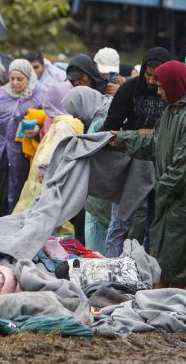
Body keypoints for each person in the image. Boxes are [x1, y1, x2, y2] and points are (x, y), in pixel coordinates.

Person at [113, 60, 186, 287]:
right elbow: (155, 143)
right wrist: (121, 138)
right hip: (172, 199)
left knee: (174, 267)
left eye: (162, 87)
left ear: (174, 85)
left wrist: (161, 191)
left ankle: (165, 308)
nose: (158, 91)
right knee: (162, 260)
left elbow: (183, 168)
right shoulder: (173, 111)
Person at [102, 47, 172, 256]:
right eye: (148, 75)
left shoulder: (173, 94)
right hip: (131, 161)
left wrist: (154, 133)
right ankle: (110, 265)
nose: (151, 81)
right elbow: (109, 127)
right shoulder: (130, 89)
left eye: (157, 77)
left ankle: (147, 268)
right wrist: (134, 135)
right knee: (121, 219)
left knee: (155, 220)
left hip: (160, 163)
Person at [0, 59, 47, 217]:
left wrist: (38, 129)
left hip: (20, 154)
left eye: (19, 79)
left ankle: (10, 224)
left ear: (29, 78)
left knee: (16, 189)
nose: (14, 83)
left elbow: (49, 120)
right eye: (11, 78)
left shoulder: (40, 95)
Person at [12, 82, 80, 215]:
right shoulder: (70, 121)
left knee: (37, 213)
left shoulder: (63, 125)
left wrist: (43, 169)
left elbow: (54, 148)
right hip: (55, 177)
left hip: (47, 178)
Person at [62, 86, 113, 251]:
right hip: (99, 188)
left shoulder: (100, 122)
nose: (76, 116)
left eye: (75, 111)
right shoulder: (103, 115)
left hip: (100, 191)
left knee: (98, 239)